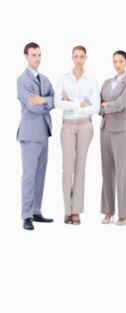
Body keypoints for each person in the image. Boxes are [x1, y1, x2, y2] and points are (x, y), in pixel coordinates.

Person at [55, 46, 100, 225]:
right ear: (72, 57)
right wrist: (81, 103)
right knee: (67, 169)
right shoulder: (63, 78)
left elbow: (95, 108)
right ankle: (67, 209)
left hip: (85, 126)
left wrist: (70, 102)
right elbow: (58, 102)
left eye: (82, 56)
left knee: (80, 168)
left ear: (86, 58)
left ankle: (76, 211)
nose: (79, 59)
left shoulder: (92, 80)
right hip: (67, 125)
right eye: (76, 56)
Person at [17, 42, 54, 231]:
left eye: (39, 55)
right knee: (29, 176)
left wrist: (44, 100)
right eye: (33, 55)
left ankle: (36, 210)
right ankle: (26, 215)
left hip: (44, 133)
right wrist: (45, 102)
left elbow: (55, 100)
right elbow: (32, 105)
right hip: (30, 134)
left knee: (40, 175)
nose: (37, 58)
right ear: (26, 56)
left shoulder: (45, 79)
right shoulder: (22, 80)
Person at [100, 50, 126, 225]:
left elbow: (123, 103)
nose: (117, 64)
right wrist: (107, 106)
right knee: (106, 171)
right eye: (115, 61)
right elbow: (98, 105)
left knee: (121, 172)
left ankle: (123, 213)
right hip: (105, 128)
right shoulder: (107, 82)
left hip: (121, 130)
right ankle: (107, 212)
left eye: (120, 61)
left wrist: (107, 105)